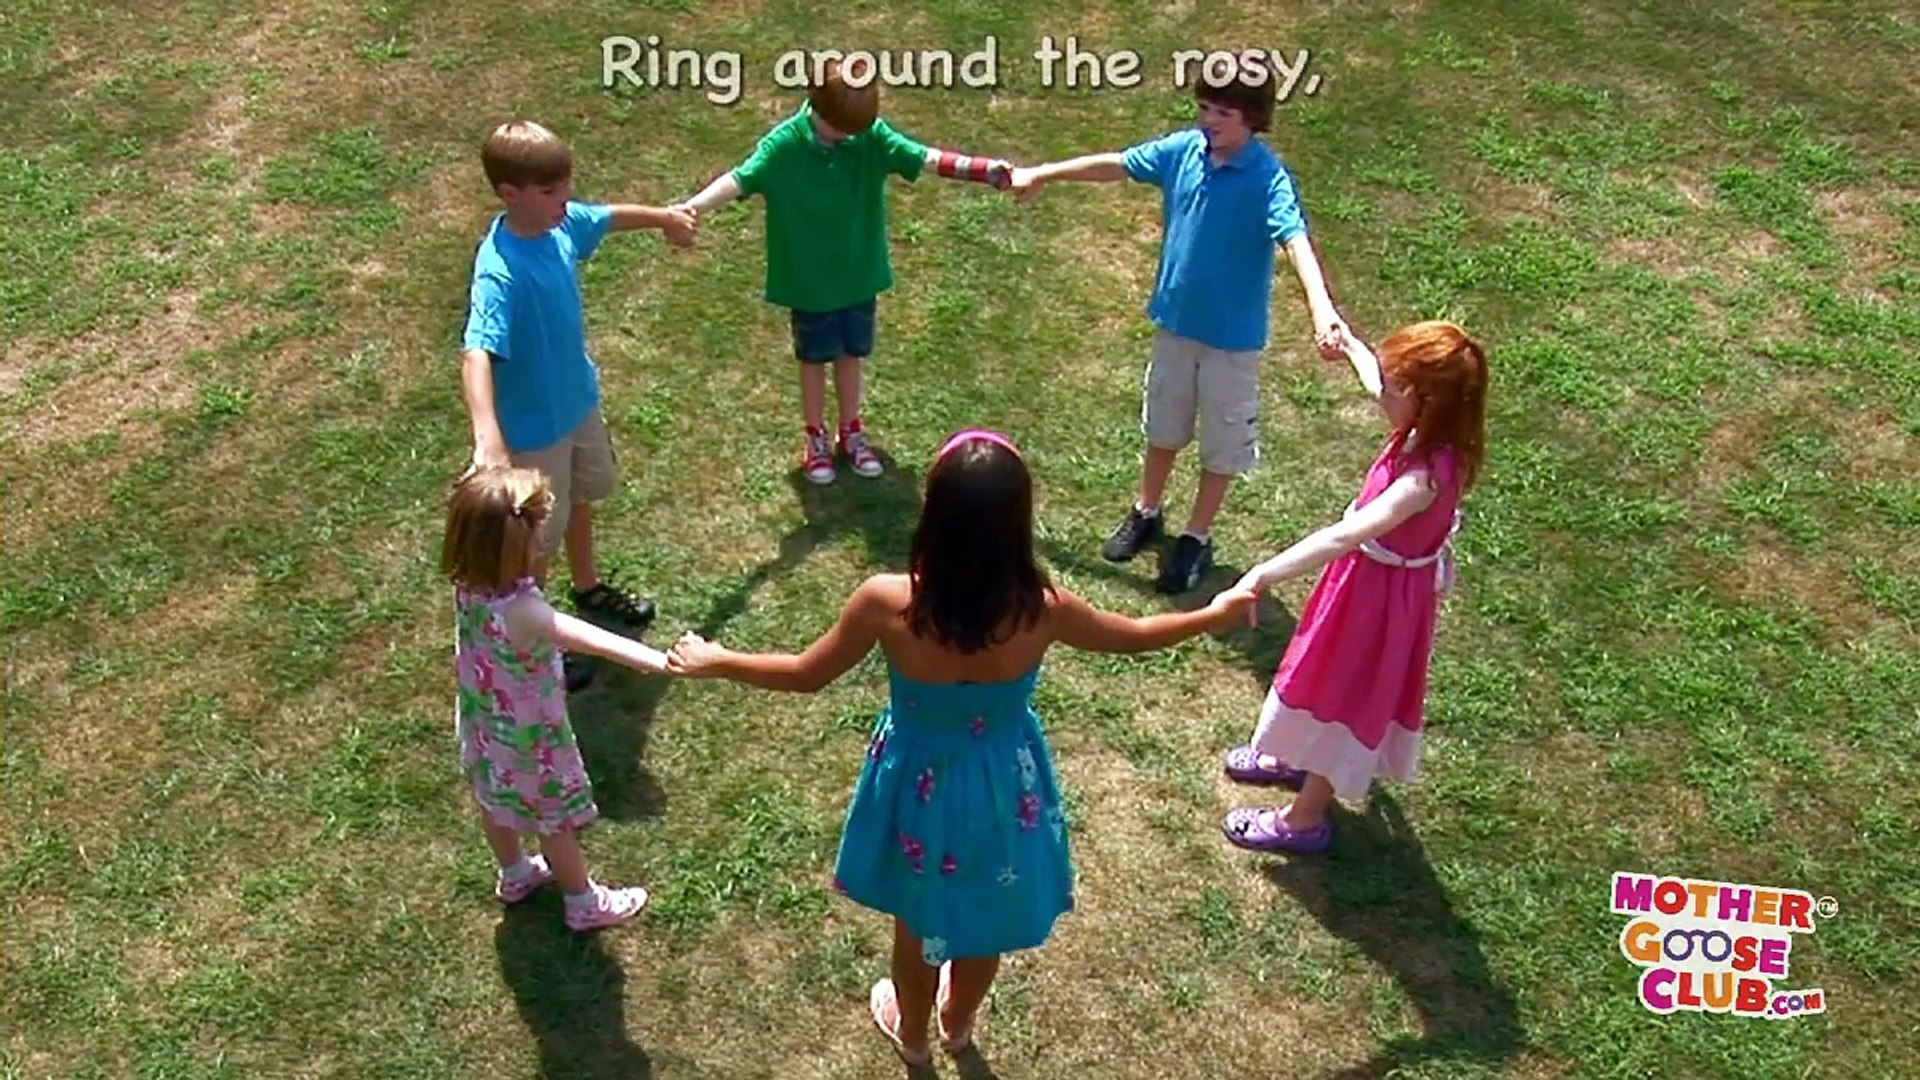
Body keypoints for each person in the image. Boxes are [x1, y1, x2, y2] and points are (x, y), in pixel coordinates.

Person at [666, 430, 1256, 1066]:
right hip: (1005, 788)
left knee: (916, 921)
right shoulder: (1043, 609)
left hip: (915, 786)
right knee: (986, 917)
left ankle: (914, 1036)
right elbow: (1136, 635)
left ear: (935, 516)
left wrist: (718, 659)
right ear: (1017, 524)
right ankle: (958, 1024)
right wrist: (1212, 614)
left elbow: (805, 674)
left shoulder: (887, 602)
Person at [1007, 64, 1349, 593]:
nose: (1209, 120)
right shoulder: (1184, 151)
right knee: (1163, 427)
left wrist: (1322, 309)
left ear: (1254, 119)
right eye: (1204, 107)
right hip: (1176, 329)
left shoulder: (1267, 179)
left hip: (1231, 345)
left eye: (1223, 112)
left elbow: (1295, 240)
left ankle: (1197, 535)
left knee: (1222, 444)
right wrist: (1044, 173)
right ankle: (1147, 511)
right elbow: (1118, 165)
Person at [1217, 320, 1489, 854]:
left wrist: (1262, 574)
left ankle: (1303, 819)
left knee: (1345, 696)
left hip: (1380, 607)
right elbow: (1373, 378)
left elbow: (1343, 536)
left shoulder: (1421, 482)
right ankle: (1290, 752)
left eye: (1396, 385)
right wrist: (1348, 346)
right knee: (1320, 672)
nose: (1383, 390)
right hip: (1362, 587)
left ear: (1425, 400)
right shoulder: (1426, 428)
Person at [674, 58, 1012, 485]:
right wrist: (691, 208)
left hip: (858, 276)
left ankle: (851, 431)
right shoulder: (784, 146)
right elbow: (740, 180)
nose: (851, 138)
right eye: (842, 130)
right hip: (810, 283)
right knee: (815, 359)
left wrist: (983, 171)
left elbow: (925, 157)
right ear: (817, 109)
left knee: (852, 354)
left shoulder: (869, 136)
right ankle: (815, 437)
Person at [461, 119, 695, 689]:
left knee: (583, 497)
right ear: (509, 193)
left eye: (566, 185)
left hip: (578, 406)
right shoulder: (500, 272)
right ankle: (537, 634)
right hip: (534, 432)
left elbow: (606, 217)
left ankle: (588, 587)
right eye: (550, 191)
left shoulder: (559, 224)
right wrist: (488, 436)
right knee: (537, 539)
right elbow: (476, 352)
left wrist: (664, 218)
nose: (565, 199)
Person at [443, 466, 672, 930]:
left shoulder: (468, 585)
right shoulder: (523, 609)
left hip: (484, 721)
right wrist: (665, 662)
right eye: (537, 535)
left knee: (493, 800)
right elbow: (594, 640)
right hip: (531, 739)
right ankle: (583, 902)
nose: (544, 543)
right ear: (513, 549)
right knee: (554, 822)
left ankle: (515, 874)